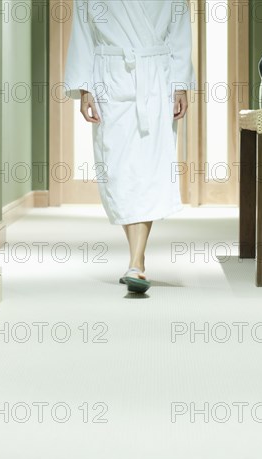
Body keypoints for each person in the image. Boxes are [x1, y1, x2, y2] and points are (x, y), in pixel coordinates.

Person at [63, 0, 196, 293]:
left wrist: (180, 84)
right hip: (109, 82)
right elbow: (83, 35)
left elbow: (179, 33)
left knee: (148, 169)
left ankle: (136, 261)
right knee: (120, 171)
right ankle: (138, 257)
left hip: (155, 83)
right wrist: (85, 89)